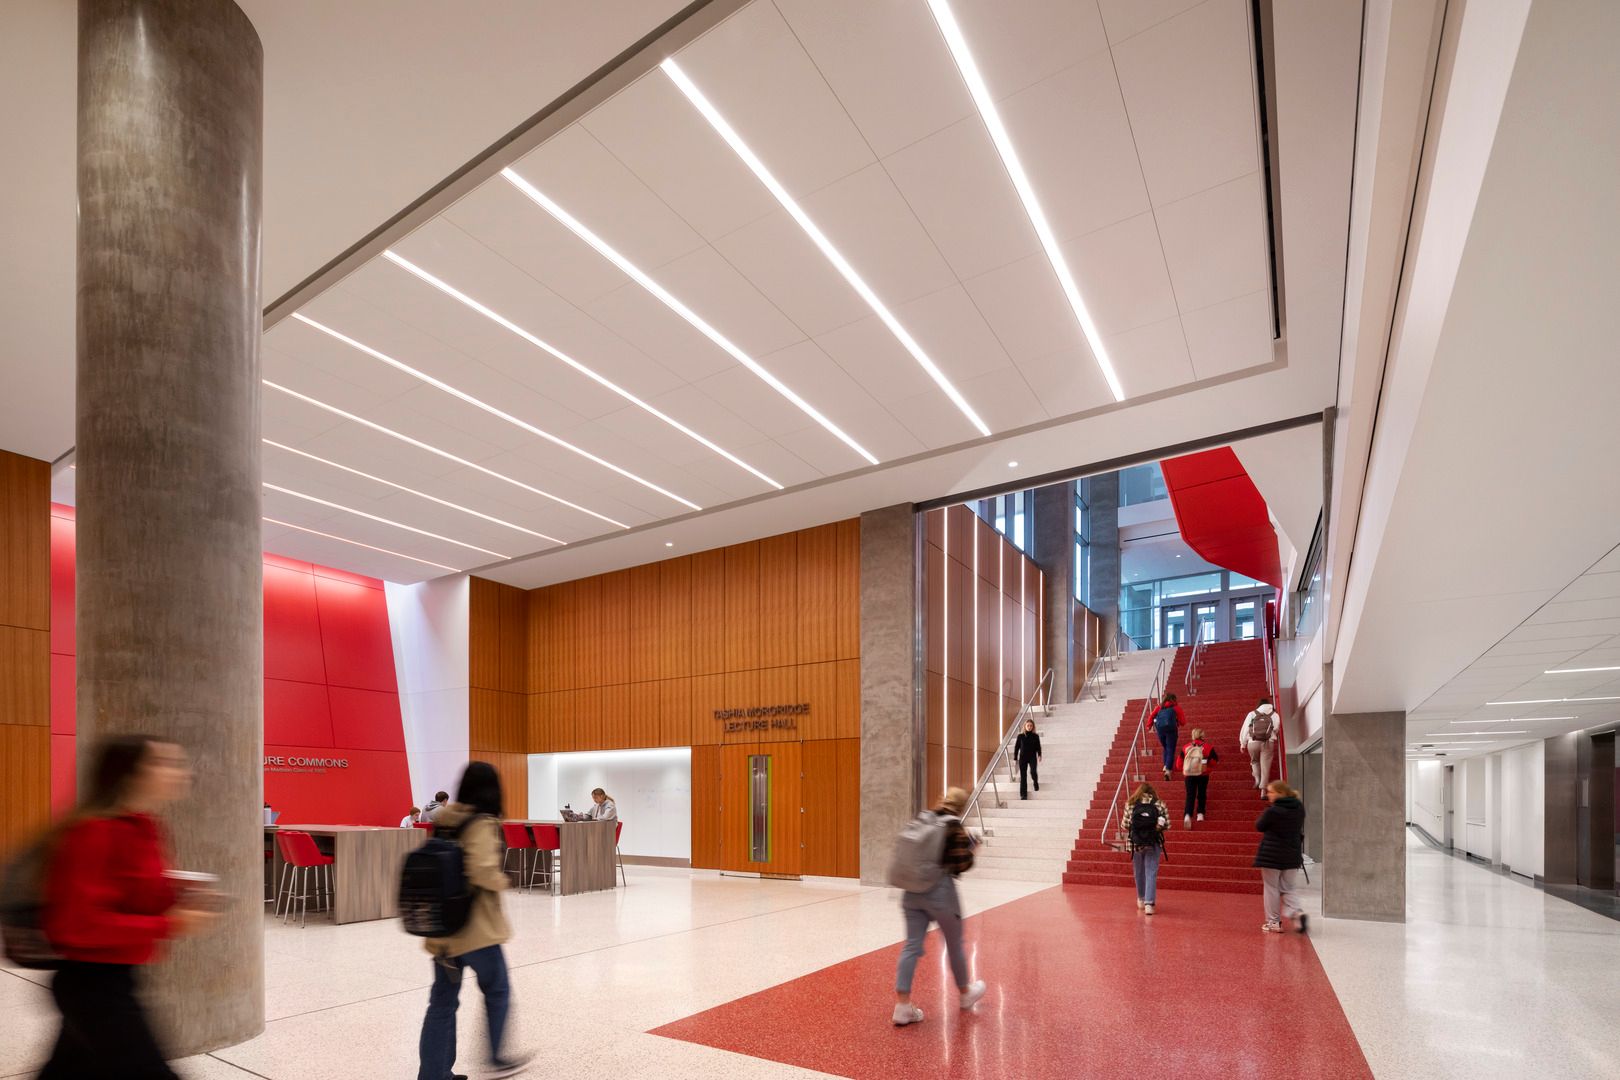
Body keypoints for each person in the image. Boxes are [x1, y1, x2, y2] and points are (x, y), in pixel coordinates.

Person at [40, 735, 221, 1080]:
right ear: (129, 774)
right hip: (92, 984)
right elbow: (73, 925)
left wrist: (177, 895)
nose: (180, 771)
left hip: (122, 974)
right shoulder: (92, 832)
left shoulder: (146, 827)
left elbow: (136, 893)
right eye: (164, 763)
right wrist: (169, 925)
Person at [417, 763, 531, 1079]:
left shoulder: (445, 819)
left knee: (442, 1003)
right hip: (476, 930)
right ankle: (497, 1057)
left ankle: (434, 1074)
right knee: (498, 990)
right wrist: (502, 881)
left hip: (444, 929)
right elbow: (480, 869)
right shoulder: (483, 822)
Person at [892, 787, 988, 1026]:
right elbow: (960, 864)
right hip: (940, 893)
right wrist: (972, 849)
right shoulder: (954, 826)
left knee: (912, 946)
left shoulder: (925, 817)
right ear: (962, 806)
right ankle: (966, 995)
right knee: (954, 944)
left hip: (911, 892)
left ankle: (902, 1006)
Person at [1255, 780, 1307, 934]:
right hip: (1292, 854)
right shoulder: (1299, 808)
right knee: (1288, 887)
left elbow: (1259, 826)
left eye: (1271, 791)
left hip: (1272, 854)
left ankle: (1273, 922)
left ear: (1281, 793)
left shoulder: (1273, 811)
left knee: (1271, 888)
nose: (1268, 794)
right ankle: (1297, 913)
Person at [1122, 782, 1169, 915]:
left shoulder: (1130, 804)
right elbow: (1168, 825)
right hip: (1153, 842)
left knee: (1139, 871)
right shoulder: (1159, 804)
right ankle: (1149, 904)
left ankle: (1141, 899)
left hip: (1135, 843)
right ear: (1152, 792)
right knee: (1151, 872)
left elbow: (1125, 825)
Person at [1177, 727, 1219, 828]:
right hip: (1203, 774)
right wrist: (1207, 768)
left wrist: (1185, 770)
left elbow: (1178, 764)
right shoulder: (1208, 747)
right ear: (1202, 736)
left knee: (1190, 795)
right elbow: (1214, 761)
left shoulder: (1186, 747)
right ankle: (1200, 814)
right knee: (1201, 793)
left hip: (1189, 775)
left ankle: (1187, 815)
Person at [1239, 698, 1280, 796]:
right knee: (1265, 767)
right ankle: (1263, 791)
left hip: (1252, 742)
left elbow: (1245, 729)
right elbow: (1276, 728)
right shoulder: (1275, 714)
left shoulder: (1252, 714)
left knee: (1255, 761)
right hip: (1267, 742)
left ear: (1259, 705)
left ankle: (1257, 779)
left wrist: (1242, 743)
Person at [1150, 693, 1185, 780]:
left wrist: (1149, 726)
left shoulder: (1159, 707)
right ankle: (1168, 770)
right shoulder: (1176, 708)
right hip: (1171, 731)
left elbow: (1151, 716)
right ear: (1174, 699)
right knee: (1170, 749)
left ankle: (1165, 765)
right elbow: (1183, 722)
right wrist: (1177, 722)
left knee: (1165, 747)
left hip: (1160, 730)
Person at [1013, 719, 1042, 799]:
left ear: (1033, 727)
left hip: (1032, 757)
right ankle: (1023, 795)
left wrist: (1039, 755)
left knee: (1033, 771)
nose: (1029, 727)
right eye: (1028, 725)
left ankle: (1035, 782)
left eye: (1031, 726)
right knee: (1023, 776)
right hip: (1023, 758)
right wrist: (1015, 758)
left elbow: (1038, 747)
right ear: (1025, 726)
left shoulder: (1036, 736)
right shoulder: (1020, 736)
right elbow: (1017, 747)